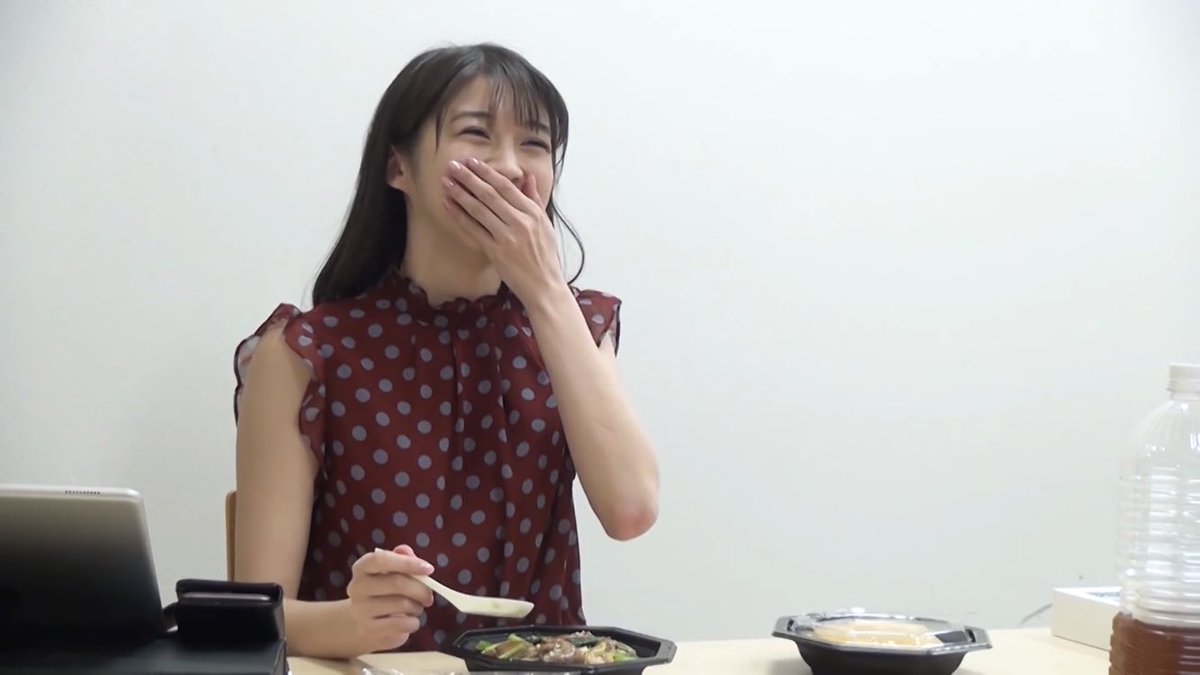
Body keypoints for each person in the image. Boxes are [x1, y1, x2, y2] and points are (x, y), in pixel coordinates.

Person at [230, 43, 660, 659]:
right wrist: (352, 622)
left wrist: (544, 289)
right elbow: (255, 616)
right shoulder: (306, 353)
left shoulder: (579, 325)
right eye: (476, 134)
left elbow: (631, 511)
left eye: (534, 144)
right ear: (398, 168)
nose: (509, 167)